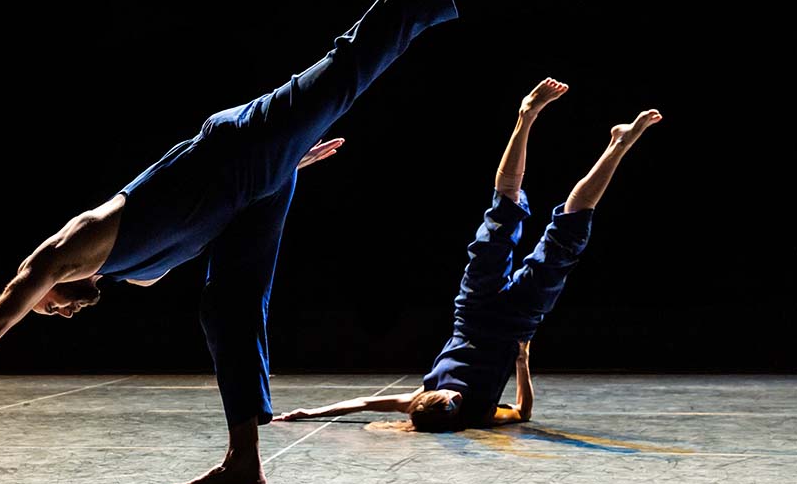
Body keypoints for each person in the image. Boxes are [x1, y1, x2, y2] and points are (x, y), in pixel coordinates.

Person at [0, 0, 561, 484]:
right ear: (68, 298)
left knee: (363, 50)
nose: (33, 300)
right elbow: (194, 215)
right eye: (45, 304)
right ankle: (244, 463)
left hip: (243, 148)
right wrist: (290, 161)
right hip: (255, 177)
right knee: (227, 308)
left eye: (38, 302)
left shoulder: (80, 247)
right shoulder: (131, 269)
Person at [274, 78, 663, 431]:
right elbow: (523, 413)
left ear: (427, 401)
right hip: (516, 322)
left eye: (444, 401)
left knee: (504, 208)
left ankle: (526, 116)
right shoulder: (477, 413)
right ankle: (621, 143)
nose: (455, 398)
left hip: (474, 309)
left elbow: (360, 403)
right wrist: (523, 362)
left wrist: (313, 412)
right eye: (454, 406)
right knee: (569, 232)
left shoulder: (415, 400)